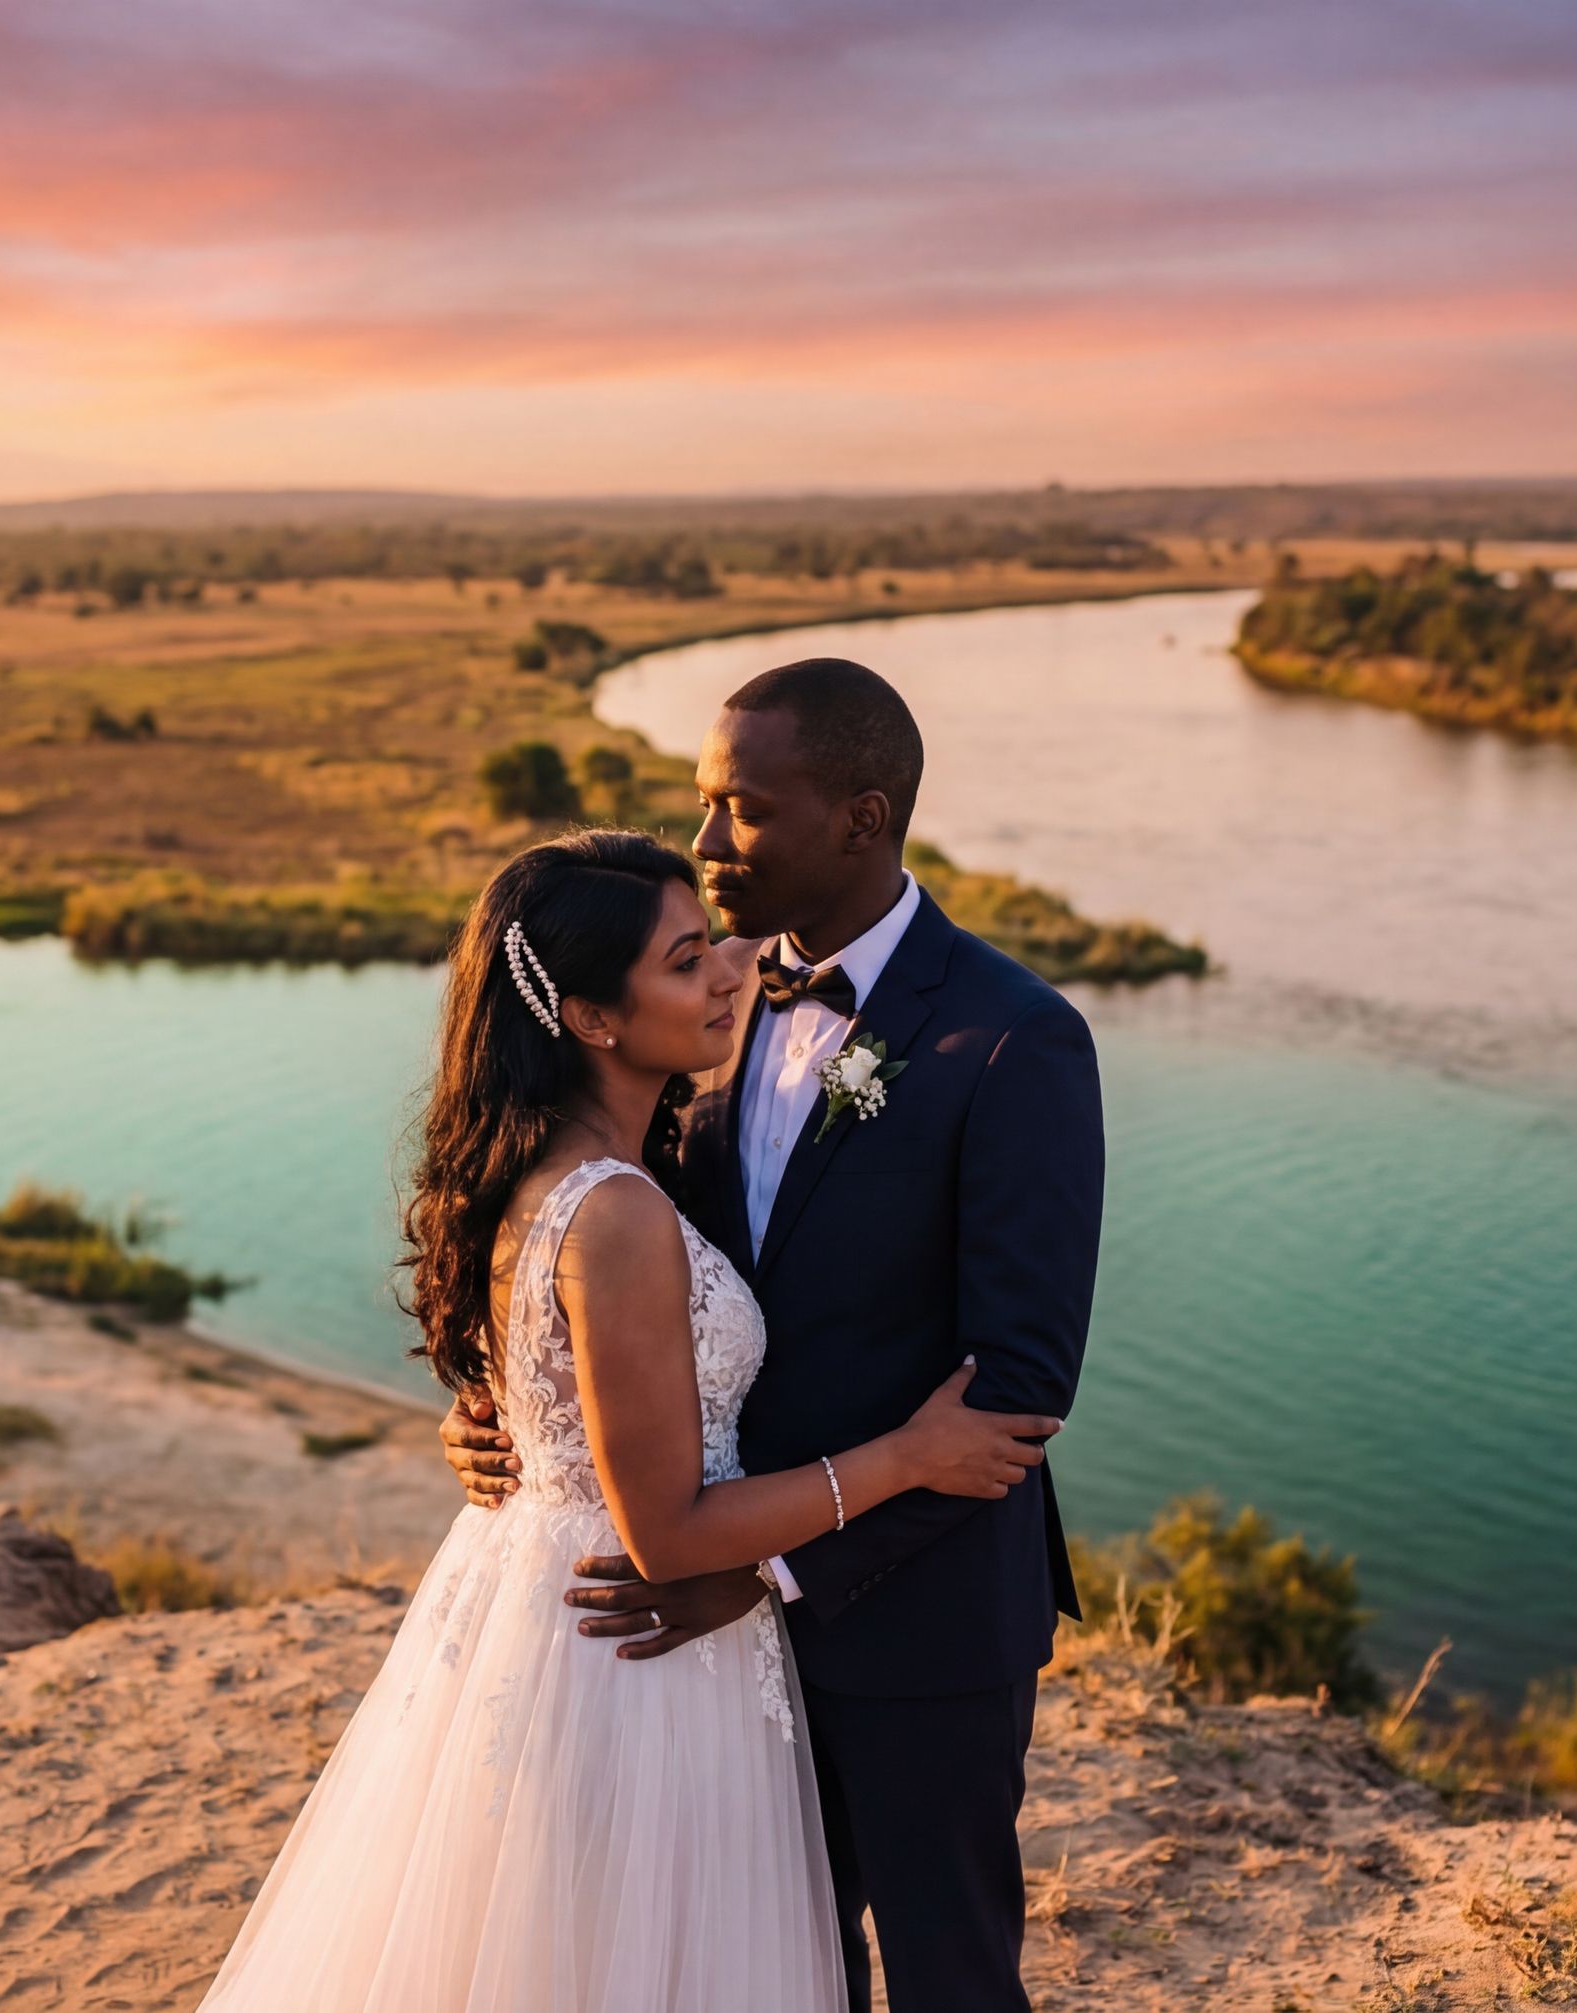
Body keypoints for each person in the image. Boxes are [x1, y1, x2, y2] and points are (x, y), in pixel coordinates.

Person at [193, 826, 1060, 2012]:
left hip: (715, 1614)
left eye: (743, 810)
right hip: (646, 1623)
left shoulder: (606, 1140)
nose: (729, 965)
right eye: (688, 956)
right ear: (593, 1017)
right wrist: (907, 1456)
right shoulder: (615, 1201)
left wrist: (519, 1421)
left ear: (855, 809)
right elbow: (662, 1511)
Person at [444, 658, 1108, 2011]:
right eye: (700, 801)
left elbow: (1020, 1392)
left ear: (860, 819)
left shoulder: (1012, 1040)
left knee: (947, 1975)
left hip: (910, 1625)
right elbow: (620, 1255)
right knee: (764, 1966)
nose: (702, 842)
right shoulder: (703, 1002)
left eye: (739, 808)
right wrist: (511, 1403)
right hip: (699, 1632)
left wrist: (772, 1573)